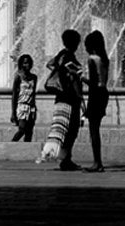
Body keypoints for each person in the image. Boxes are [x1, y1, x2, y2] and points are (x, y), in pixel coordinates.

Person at [42, 30, 84, 171]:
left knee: (63, 127)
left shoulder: (61, 54)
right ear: (75, 42)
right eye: (77, 41)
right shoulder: (69, 57)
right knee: (72, 129)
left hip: (60, 97)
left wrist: (59, 73)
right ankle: (65, 159)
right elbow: (74, 80)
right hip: (70, 98)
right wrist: (81, 98)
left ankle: (65, 158)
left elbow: (49, 64)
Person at [82, 31, 110, 172]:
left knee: (93, 130)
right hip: (104, 94)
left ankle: (97, 162)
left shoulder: (92, 59)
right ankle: (98, 162)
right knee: (96, 128)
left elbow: (93, 82)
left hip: (95, 94)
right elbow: (103, 81)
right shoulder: (104, 59)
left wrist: (80, 77)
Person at [10, 54, 38, 143]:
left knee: (29, 132)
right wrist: (13, 113)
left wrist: (34, 108)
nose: (27, 65)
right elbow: (14, 95)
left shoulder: (34, 77)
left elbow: (33, 94)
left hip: (31, 108)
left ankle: (27, 153)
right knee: (22, 129)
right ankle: (10, 146)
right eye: (25, 63)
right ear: (21, 64)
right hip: (21, 107)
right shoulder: (18, 76)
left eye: (29, 63)